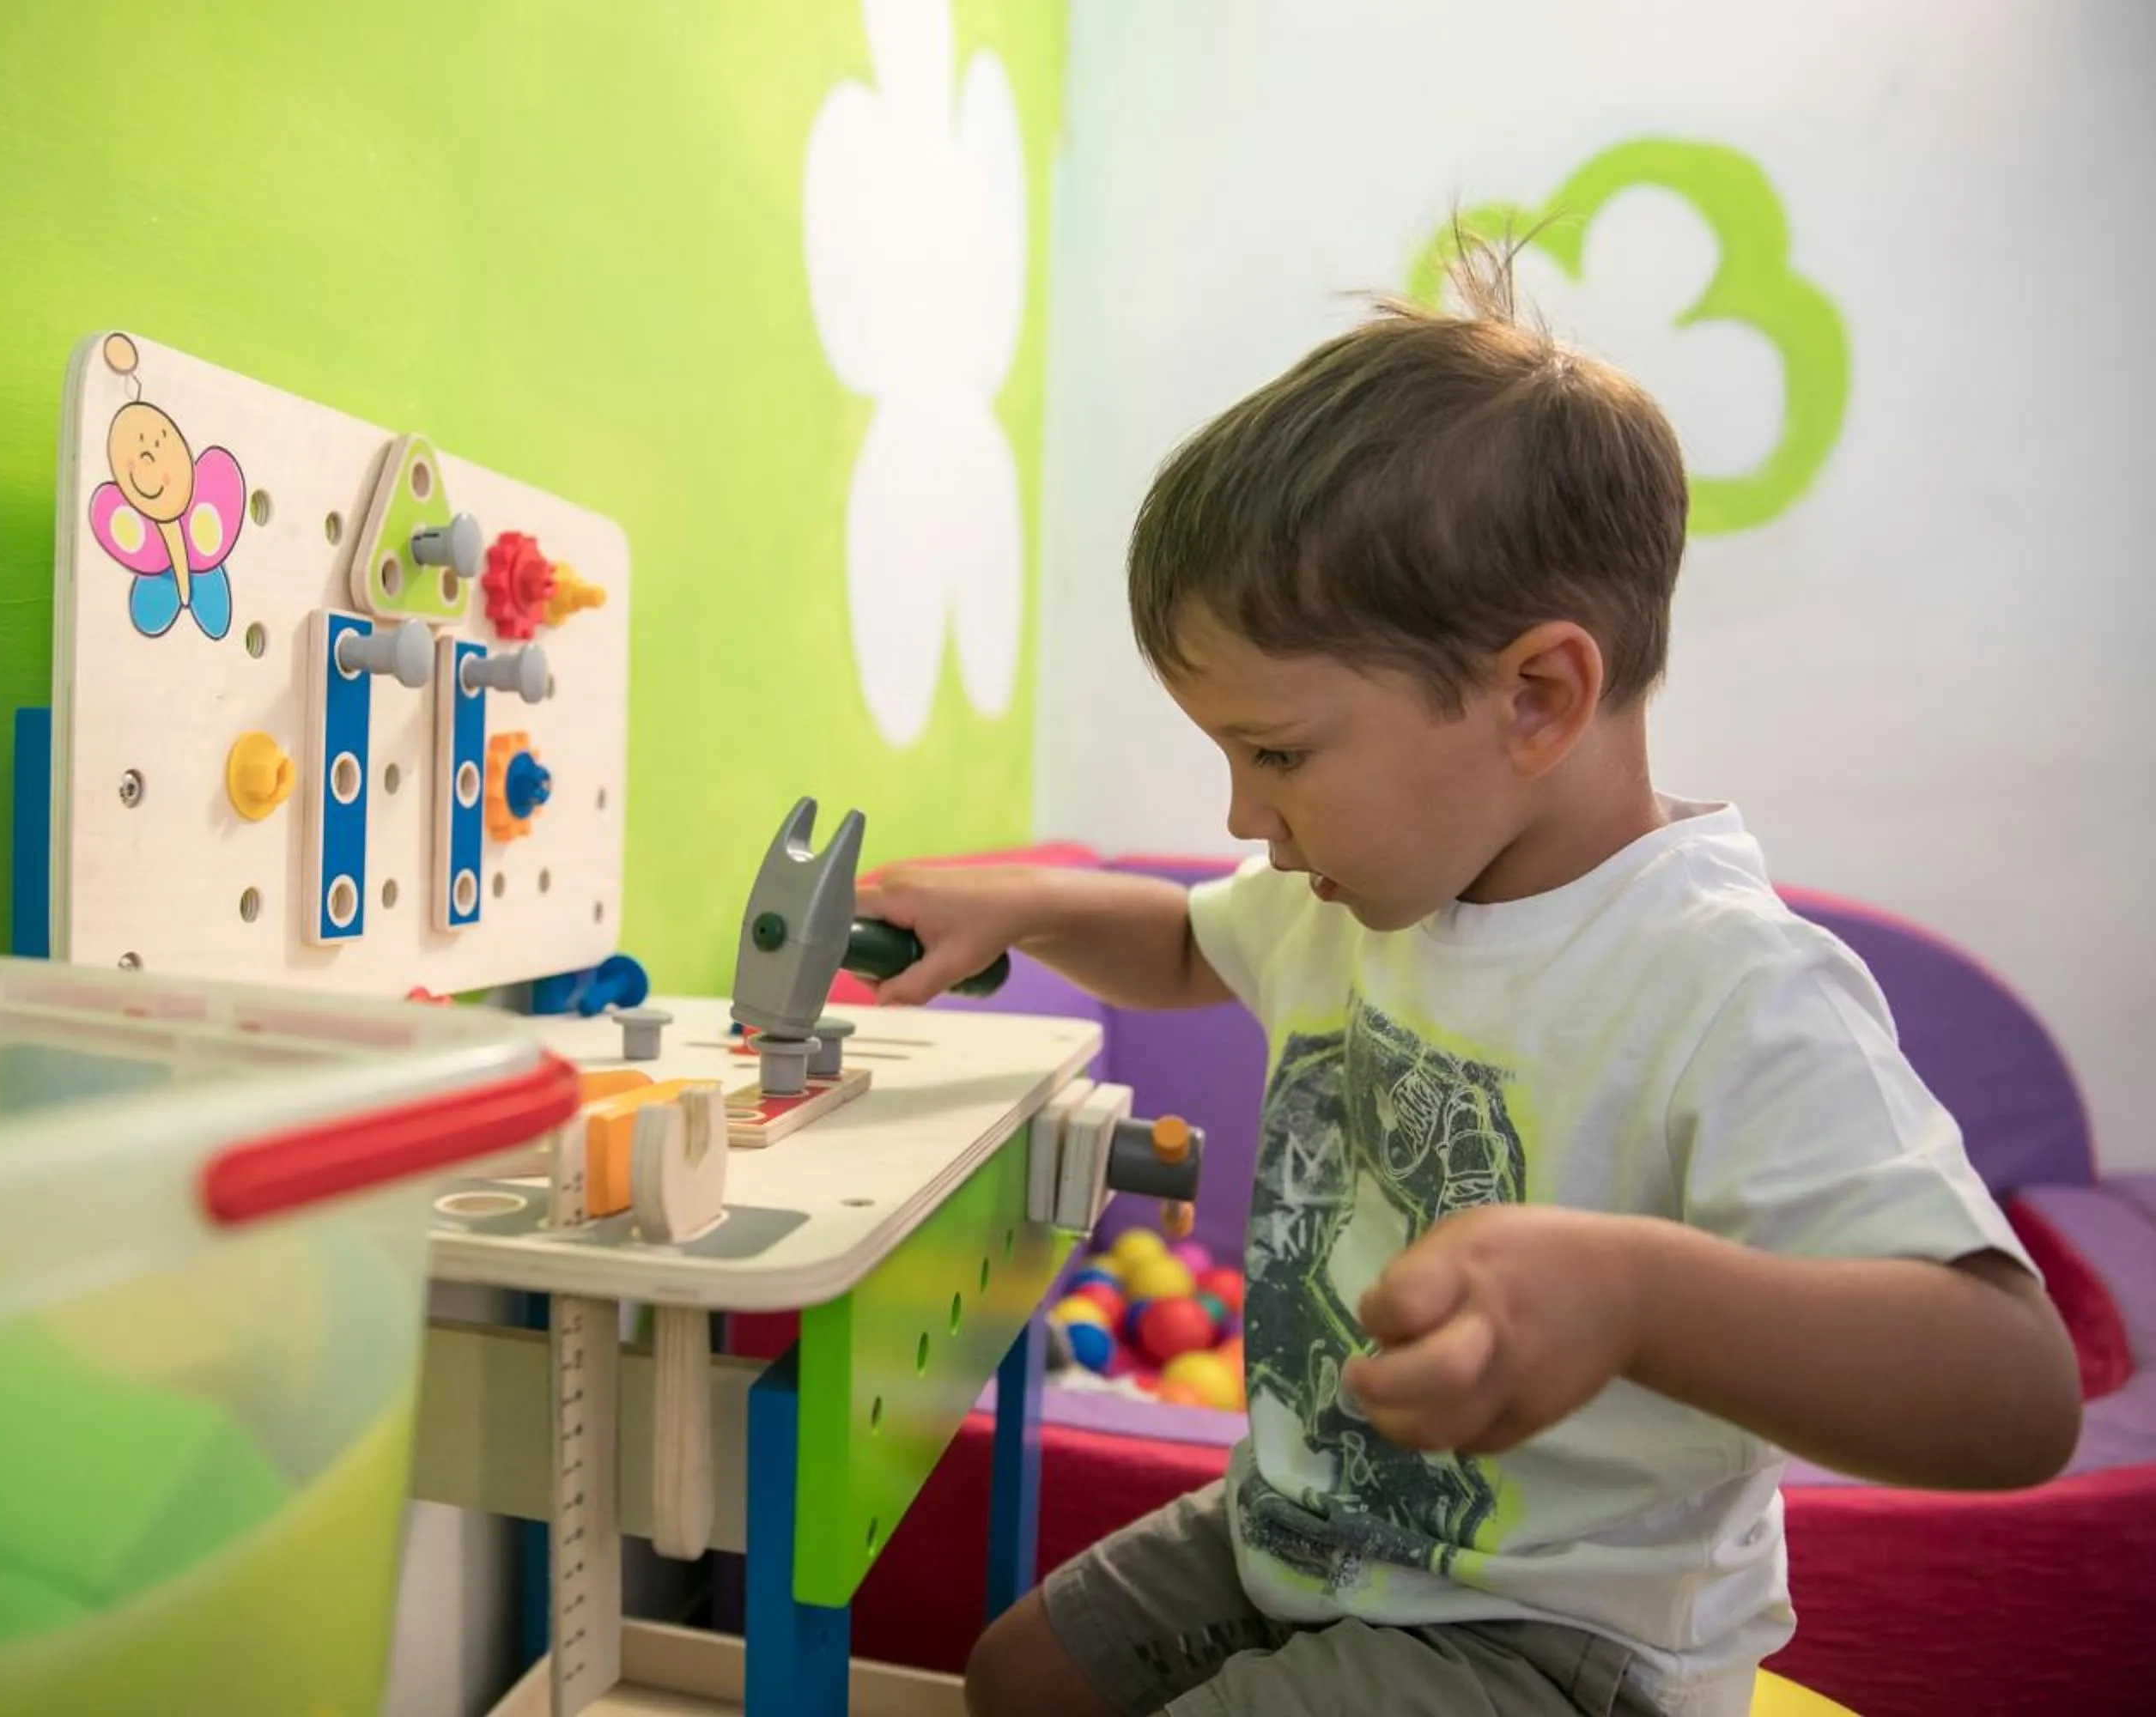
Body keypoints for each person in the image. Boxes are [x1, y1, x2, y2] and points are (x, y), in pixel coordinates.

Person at [863, 237, 2082, 1717]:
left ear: (1536, 696)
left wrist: (1638, 1300)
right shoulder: (1356, 890)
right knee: (1018, 1681)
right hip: (1306, 1528)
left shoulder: (1724, 988)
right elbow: (1189, 941)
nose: (1245, 818)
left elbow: (2014, 1389)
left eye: (1279, 753)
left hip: (1553, 1638)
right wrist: (1024, 904)